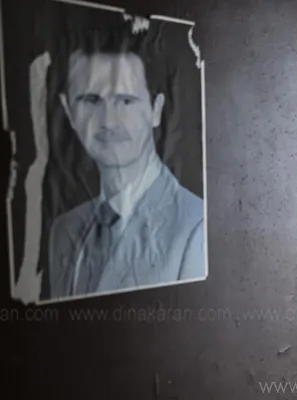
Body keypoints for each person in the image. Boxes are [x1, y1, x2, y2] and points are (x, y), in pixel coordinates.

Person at [47, 29, 205, 300]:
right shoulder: (64, 231)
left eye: (126, 101)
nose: (108, 121)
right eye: (91, 100)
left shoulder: (196, 228)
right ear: (69, 110)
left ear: (156, 110)